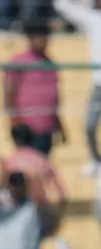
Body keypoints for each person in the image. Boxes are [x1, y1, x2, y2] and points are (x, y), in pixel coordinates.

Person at [53, 0, 101, 174]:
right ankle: (95, 160)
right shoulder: (93, 18)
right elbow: (62, 5)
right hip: (99, 85)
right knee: (89, 125)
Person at [3, 23, 62, 157]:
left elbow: (54, 95)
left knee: (42, 162)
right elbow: (9, 91)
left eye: (45, 37)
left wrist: (59, 124)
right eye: (39, 37)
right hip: (26, 125)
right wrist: (13, 120)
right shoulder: (19, 61)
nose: (43, 40)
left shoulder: (50, 63)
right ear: (30, 38)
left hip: (46, 125)